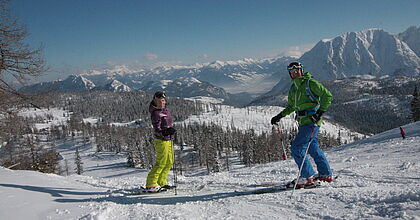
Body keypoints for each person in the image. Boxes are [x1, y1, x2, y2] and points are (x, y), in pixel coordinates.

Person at [271, 62, 333, 189]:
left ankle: (307, 177)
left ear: (302, 70)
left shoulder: (310, 83)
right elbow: (292, 106)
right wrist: (280, 116)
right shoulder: (294, 88)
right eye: (292, 71)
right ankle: (325, 174)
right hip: (303, 122)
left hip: (312, 121)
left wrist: (320, 113)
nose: (295, 73)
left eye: (297, 70)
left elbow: (327, 96)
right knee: (313, 148)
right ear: (290, 74)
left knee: (297, 147)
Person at [144, 91, 177, 192]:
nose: (161, 102)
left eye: (163, 100)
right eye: (159, 100)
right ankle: (151, 183)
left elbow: (166, 125)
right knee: (161, 162)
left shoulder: (165, 111)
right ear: (155, 101)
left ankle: (161, 182)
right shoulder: (156, 113)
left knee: (169, 161)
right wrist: (166, 132)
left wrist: (170, 130)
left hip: (168, 140)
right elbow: (157, 129)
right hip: (161, 140)